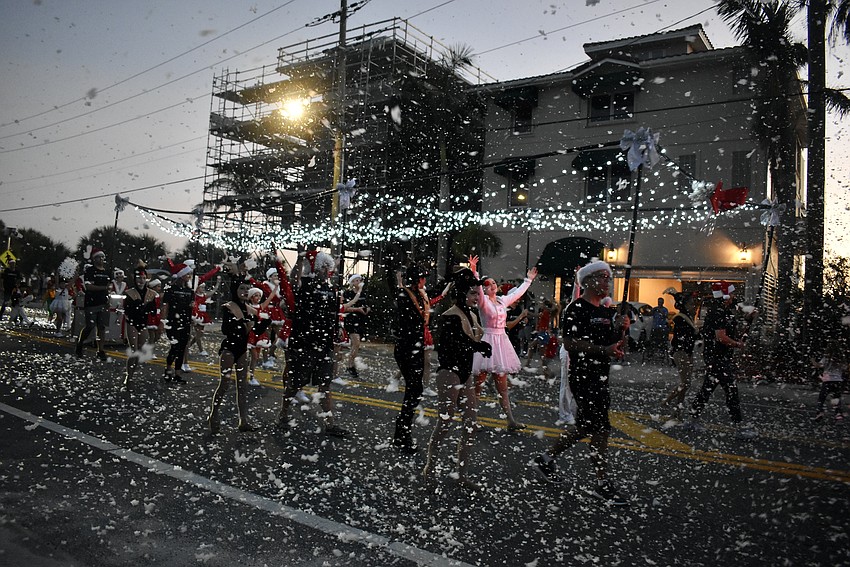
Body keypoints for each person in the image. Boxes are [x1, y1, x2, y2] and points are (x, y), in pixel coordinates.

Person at [533, 260, 630, 506]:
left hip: (601, 376)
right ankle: (601, 482)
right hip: (584, 376)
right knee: (601, 428)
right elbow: (571, 343)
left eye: (609, 278)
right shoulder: (576, 309)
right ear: (587, 282)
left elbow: (617, 347)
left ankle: (545, 459)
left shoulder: (610, 312)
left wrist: (622, 331)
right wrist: (603, 349)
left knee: (586, 427)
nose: (607, 282)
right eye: (602, 278)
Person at [422, 267, 491, 489]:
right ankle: (429, 467)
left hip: (465, 373)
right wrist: (477, 345)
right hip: (449, 372)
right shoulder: (449, 316)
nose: (475, 297)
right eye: (472, 293)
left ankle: (462, 474)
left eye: (475, 293)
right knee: (445, 421)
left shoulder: (471, 315)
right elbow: (450, 347)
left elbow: (476, 337)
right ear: (461, 294)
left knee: (470, 423)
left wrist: (485, 344)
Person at [277, 248, 348, 437]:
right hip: (303, 342)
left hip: (323, 343)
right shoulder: (305, 283)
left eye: (328, 266)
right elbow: (293, 281)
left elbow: (333, 315)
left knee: (325, 384)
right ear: (316, 267)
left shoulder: (331, 289)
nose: (326, 270)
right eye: (323, 266)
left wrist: (336, 337)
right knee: (294, 383)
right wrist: (301, 260)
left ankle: (330, 423)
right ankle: (283, 414)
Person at [471, 256, 538, 431]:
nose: (492, 285)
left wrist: (528, 280)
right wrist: (474, 271)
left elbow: (518, 293)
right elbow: (477, 288)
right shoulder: (483, 303)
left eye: (493, 283)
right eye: (488, 284)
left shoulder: (502, 301)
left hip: (501, 344)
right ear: (484, 290)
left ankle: (510, 421)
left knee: (503, 388)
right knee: (478, 386)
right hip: (488, 343)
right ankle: (472, 420)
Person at [687, 281, 757, 439]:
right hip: (718, 358)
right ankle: (738, 425)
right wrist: (738, 344)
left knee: (708, 388)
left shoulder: (723, 311)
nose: (733, 296)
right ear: (725, 296)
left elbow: (731, 329)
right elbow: (721, 337)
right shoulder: (718, 312)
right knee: (731, 390)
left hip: (717, 357)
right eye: (731, 293)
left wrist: (749, 318)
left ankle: (692, 418)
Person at [208, 263, 272, 434]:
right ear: (236, 290)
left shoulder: (248, 309)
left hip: (242, 350)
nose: (245, 291)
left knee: (242, 387)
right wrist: (243, 323)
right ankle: (214, 415)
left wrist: (266, 321)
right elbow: (226, 330)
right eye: (242, 288)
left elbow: (257, 330)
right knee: (225, 384)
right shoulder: (229, 306)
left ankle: (243, 420)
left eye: (247, 288)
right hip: (229, 349)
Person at [391, 263, 430, 453]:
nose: (425, 281)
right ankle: (402, 434)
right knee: (414, 390)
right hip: (407, 348)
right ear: (416, 279)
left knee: (415, 390)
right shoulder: (404, 296)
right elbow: (403, 323)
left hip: (415, 347)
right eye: (423, 278)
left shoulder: (414, 295)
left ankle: (402, 432)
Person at [661, 290, 699, 420]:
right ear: (684, 305)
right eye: (691, 304)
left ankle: (677, 411)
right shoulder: (680, 318)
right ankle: (667, 401)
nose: (693, 306)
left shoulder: (686, 318)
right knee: (685, 383)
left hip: (687, 353)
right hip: (681, 353)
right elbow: (682, 338)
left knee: (685, 384)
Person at [121, 262, 158, 387]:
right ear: (134, 278)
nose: (141, 281)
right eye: (139, 278)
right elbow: (127, 311)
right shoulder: (130, 293)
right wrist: (138, 307)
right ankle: (129, 376)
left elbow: (153, 311)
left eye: (143, 278)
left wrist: (147, 307)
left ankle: (131, 372)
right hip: (132, 323)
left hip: (143, 324)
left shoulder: (151, 293)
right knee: (134, 350)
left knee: (140, 350)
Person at [159, 259, 195, 383]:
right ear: (180, 275)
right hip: (173, 321)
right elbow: (165, 306)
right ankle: (168, 369)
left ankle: (178, 374)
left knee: (182, 347)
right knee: (175, 346)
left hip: (185, 322)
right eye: (187, 274)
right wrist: (162, 321)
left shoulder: (190, 291)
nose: (189, 276)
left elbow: (191, 307)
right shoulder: (171, 289)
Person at [75, 248, 111, 361]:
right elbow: (89, 286)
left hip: (103, 302)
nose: (101, 259)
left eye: (103, 257)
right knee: (90, 326)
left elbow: (109, 287)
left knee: (101, 327)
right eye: (99, 257)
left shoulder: (107, 272)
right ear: (94, 259)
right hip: (91, 302)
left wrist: (108, 299)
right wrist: (103, 288)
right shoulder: (90, 271)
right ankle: (80, 343)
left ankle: (101, 350)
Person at [189, 268, 222, 358]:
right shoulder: (194, 296)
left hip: (203, 315)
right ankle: (201, 350)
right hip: (196, 315)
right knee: (198, 333)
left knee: (200, 333)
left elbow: (213, 291)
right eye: (201, 287)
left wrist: (218, 283)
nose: (203, 289)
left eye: (204, 287)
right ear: (197, 288)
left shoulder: (204, 295)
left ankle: (189, 346)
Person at [812, 340, 847, 422]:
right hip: (838, 380)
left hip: (827, 380)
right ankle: (838, 414)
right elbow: (845, 368)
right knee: (836, 398)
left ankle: (819, 412)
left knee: (822, 398)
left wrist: (812, 360)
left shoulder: (827, 358)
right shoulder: (841, 358)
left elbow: (818, 366)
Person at [343, 274, 370, 378]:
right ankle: (350, 365)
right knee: (356, 343)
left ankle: (351, 364)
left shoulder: (364, 293)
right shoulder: (348, 293)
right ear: (352, 282)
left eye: (359, 280)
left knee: (354, 345)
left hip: (361, 320)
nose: (358, 282)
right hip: (351, 320)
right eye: (356, 280)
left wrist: (366, 309)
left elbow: (367, 305)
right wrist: (357, 309)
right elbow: (345, 308)